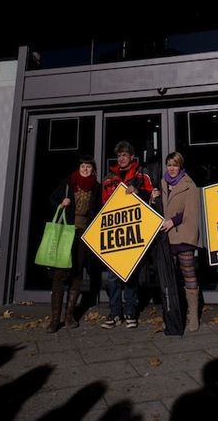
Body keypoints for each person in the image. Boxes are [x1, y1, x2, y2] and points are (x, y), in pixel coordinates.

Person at [100, 140, 153, 329]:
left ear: (132, 157)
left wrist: (138, 192)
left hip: (134, 231)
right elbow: (104, 204)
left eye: (125, 155)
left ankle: (130, 311)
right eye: (119, 155)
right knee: (113, 276)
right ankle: (115, 313)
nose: (121, 158)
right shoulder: (108, 178)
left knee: (130, 274)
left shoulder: (141, 174)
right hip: (115, 232)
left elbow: (152, 196)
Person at [46, 155, 102, 333]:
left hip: (83, 233)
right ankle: (55, 320)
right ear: (78, 168)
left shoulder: (96, 187)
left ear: (93, 169)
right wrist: (61, 204)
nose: (85, 169)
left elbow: (99, 208)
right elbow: (52, 199)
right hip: (66, 231)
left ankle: (69, 315)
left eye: (88, 166)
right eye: (83, 166)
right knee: (60, 273)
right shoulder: (69, 183)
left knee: (77, 272)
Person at [151, 151, 201, 332]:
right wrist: (153, 198)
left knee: (188, 273)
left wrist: (173, 221)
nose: (171, 169)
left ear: (181, 166)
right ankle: (174, 314)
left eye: (175, 165)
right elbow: (158, 210)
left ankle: (193, 314)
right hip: (166, 238)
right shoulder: (162, 183)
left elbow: (191, 212)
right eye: (169, 165)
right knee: (170, 277)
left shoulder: (189, 185)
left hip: (183, 235)